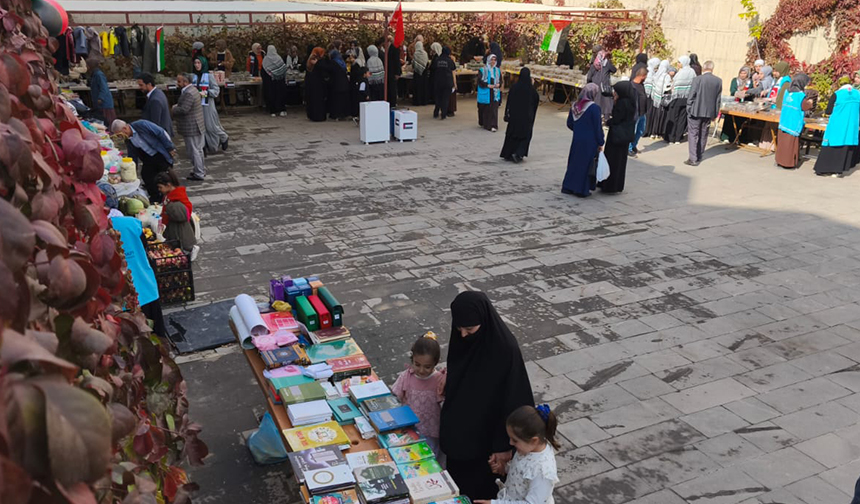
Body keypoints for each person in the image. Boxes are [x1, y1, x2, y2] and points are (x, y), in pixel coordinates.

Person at [440, 291, 534, 502]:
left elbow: (515, 399)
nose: (463, 335)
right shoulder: (463, 338)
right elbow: (461, 367)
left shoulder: (505, 349)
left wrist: (504, 447)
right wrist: (448, 376)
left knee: (479, 492)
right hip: (460, 436)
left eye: (470, 329)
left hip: (486, 443)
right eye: (459, 329)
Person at [473, 405, 560, 504]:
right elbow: (522, 472)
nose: (510, 443)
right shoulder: (527, 448)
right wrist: (505, 468)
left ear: (534, 440)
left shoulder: (543, 472)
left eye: (515, 440)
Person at [392, 332, 447, 463]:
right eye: (417, 364)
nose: (421, 370)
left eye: (427, 367)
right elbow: (394, 398)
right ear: (412, 360)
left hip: (431, 432)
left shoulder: (439, 380)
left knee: (430, 461)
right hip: (409, 429)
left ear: (435, 363)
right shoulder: (406, 376)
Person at [110, 215, 165, 337]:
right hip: (145, 286)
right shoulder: (132, 223)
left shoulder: (96, 231)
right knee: (155, 336)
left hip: (120, 296)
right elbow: (144, 247)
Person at [110, 119, 176, 204]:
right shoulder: (128, 139)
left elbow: (161, 133)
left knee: (165, 176)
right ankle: (155, 198)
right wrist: (132, 169)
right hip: (148, 157)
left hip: (160, 152)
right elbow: (132, 154)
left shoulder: (141, 125)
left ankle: (171, 196)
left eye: (119, 134)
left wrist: (170, 147)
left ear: (125, 128)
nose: (120, 137)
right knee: (146, 175)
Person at [562, 83, 604, 197]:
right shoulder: (594, 108)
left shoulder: (574, 106)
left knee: (574, 162)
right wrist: (601, 141)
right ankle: (580, 189)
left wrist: (578, 130)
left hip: (577, 139)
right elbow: (597, 127)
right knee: (585, 164)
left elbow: (569, 123)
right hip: (590, 141)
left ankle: (568, 186)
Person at [813, 82, 860, 176]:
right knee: (845, 147)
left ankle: (823, 169)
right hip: (851, 126)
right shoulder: (858, 95)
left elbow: (828, 111)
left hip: (837, 125)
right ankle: (838, 170)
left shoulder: (837, 94)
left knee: (831, 145)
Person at [600, 81, 637, 194]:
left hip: (616, 134)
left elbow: (617, 119)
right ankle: (617, 185)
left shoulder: (622, 103)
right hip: (624, 136)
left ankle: (609, 185)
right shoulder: (631, 102)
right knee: (620, 162)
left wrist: (607, 122)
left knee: (612, 159)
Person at [685, 61, 722, 166]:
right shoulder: (718, 81)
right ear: (712, 68)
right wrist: (715, 113)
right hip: (709, 112)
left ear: (703, 68)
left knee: (693, 133)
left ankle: (693, 158)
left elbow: (691, 95)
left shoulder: (697, 79)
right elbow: (718, 99)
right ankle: (699, 155)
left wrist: (689, 108)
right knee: (703, 133)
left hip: (695, 110)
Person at [500, 67, 539, 163]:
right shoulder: (531, 90)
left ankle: (508, 153)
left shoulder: (514, 87)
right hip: (526, 118)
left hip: (514, 117)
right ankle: (518, 153)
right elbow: (536, 101)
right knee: (525, 135)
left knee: (512, 135)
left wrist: (507, 112)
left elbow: (509, 101)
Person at [172, 73, 206, 181]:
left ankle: (199, 173)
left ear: (186, 82)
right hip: (197, 124)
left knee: (194, 151)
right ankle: (200, 170)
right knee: (198, 150)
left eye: (179, 81)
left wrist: (174, 108)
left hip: (191, 126)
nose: (177, 83)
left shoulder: (188, 93)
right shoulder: (193, 90)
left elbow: (184, 109)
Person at [155, 171, 198, 259]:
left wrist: (168, 209)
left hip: (180, 235)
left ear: (168, 185)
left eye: (160, 187)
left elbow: (182, 216)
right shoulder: (172, 197)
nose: (159, 189)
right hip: (177, 232)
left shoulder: (175, 203)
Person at [192, 56, 229, 153]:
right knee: (201, 127)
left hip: (207, 104)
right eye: (195, 63)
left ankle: (223, 137)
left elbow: (216, 90)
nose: (197, 65)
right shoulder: (194, 76)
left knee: (211, 125)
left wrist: (206, 93)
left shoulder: (209, 76)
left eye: (199, 63)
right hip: (197, 105)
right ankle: (205, 145)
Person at [776, 73, 813, 169]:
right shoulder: (800, 95)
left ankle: (780, 160)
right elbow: (804, 107)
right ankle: (788, 163)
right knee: (790, 144)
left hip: (784, 120)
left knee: (782, 143)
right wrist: (810, 103)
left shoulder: (787, 92)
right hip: (793, 122)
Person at [664, 55, 696, 144]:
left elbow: (675, 85)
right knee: (682, 118)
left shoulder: (681, 73)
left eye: (679, 62)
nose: (678, 64)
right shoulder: (692, 72)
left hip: (677, 98)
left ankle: (671, 138)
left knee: (673, 117)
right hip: (686, 98)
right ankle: (678, 138)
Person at [585, 47, 616, 123]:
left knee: (596, 101)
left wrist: (588, 83)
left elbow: (589, 76)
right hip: (605, 85)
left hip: (595, 85)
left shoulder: (594, 64)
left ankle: (595, 117)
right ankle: (606, 118)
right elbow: (614, 70)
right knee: (607, 101)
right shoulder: (607, 63)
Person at [646, 60, 671, 138]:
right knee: (660, 116)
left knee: (653, 115)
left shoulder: (656, 74)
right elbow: (667, 88)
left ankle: (652, 132)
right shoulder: (666, 76)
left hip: (654, 98)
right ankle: (657, 132)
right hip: (661, 98)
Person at [477, 54, 502, 132]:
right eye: (492, 60)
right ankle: (486, 124)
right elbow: (479, 81)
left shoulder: (497, 70)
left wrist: (499, 84)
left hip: (495, 92)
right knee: (486, 108)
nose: (493, 62)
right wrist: (487, 85)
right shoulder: (482, 70)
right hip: (486, 92)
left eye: (494, 60)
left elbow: (500, 80)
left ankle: (493, 125)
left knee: (494, 109)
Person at [262, 45, 288, 117]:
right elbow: (284, 69)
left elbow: (264, 72)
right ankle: (282, 110)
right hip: (280, 81)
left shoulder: (265, 60)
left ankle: (272, 111)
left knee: (271, 95)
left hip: (270, 82)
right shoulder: (279, 58)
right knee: (280, 95)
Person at [629, 67, 649, 157]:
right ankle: (629, 148)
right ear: (642, 76)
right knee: (632, 131)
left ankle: (634, 145)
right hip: (635, 113)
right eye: (645, 76)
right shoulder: (631, 86)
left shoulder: (641, 85)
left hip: (642, 112)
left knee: (640, 130)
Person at [88, 58, 115, 125]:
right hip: (99, 104)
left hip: (104, 104)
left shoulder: (99, 75)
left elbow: (104, 88)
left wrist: (100, 98)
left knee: (107, 122)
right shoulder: (94, 75)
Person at [305, 47, 328, 122]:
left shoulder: (311, 59)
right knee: (318, 101)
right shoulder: (315, 60)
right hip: (317, 83)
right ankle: (318, 116)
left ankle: (313, 115)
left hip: (313, 83)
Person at [327, 49, 351, 120]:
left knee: (336, 100)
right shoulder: (342, 62)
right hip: (344, 83)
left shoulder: (333, 63)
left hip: (336, 84)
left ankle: (336, 115)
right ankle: (344, 114)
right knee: (343, 100)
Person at [433, 47, 456, 120]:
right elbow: (453, 72)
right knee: (445, 99)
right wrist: (455, 84)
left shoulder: (437, 60)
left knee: (438, 98)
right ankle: (443, 114)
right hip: (447, 81)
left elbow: (433, 69)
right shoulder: (450, 61)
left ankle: (436, 113)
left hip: (438, 81)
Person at [412, 41, 429, 106]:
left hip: (417, 73)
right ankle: (424, 101)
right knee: (424, 87)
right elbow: (427, 62)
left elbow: (413, 64)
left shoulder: (415, 54)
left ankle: (417, 101)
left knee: (417, 87)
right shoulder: (425, 53)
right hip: (424, 72)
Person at [386, 36, 402, 107]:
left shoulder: (395, 48)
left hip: (393, 71)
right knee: (390, 87)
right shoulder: (387, 48)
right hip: (389, 71)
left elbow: (396, 61)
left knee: (392, 87)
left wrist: (397, 73)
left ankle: (393, 102)